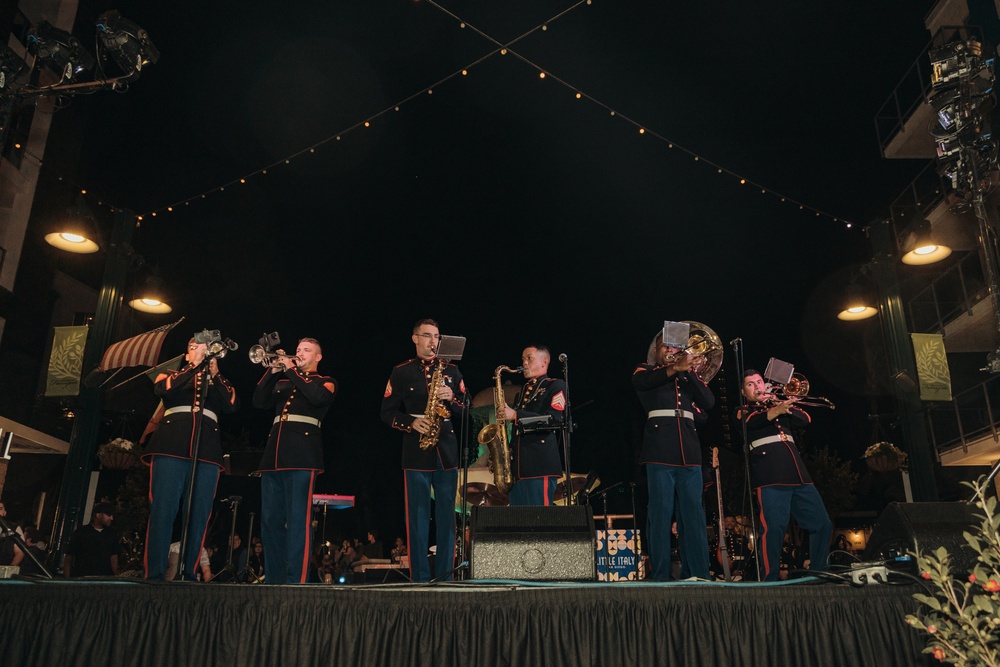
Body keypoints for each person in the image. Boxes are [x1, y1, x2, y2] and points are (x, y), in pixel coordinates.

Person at [141, 337, 239, 581]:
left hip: (206, 451)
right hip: (170, 446)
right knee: (163, 510)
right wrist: (194, 366)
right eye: (195, 347)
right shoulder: (171, 374)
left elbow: (231, 405)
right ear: (187, 355)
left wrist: (215, 374)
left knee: (199, 513)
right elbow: (162, 390)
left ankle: (189, 571)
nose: (202, 351)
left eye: (205, 348)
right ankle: (154, 573)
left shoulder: (218, 382)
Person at [380, 318, 467, 582]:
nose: (433, 342)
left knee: (446, 519)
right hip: (416, 449)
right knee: (417, 518)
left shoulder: (452, 370)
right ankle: (418, 578)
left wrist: (452, 398)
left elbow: (466, 409)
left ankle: (445, 577)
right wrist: (411, 422)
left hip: (447, 450)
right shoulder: (401, 371)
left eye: (437, 336)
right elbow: (387, 412)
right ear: (415, 338)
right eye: (427, 336)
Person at [253, 337, 336, 584]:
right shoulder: (283, 380)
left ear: (318, 357)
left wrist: (290, 369)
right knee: (270, 521)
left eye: (306, 350)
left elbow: (317, 398)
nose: (299, 353)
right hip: (273, 456)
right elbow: (259, 401)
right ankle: (274, 578)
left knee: (298, 519)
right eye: (298, 349)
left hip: (303, 456)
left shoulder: (326, 382)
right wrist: (273, 370)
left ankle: (295, 579)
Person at [631, 330, 714, 580]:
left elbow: (707, 403)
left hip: (689, 451)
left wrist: (690, 372)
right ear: (656, 351)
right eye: (665, 346)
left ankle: (698, 573)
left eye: (676, 347)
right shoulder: (645, 370)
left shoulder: (688, 377)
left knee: (694, 516)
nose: (671, 350)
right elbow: (643, 383)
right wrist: (677, 368)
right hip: (659, 450)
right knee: (660, 514)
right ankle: (660, 575)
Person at [740, 369, 832, 581]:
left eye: (759, 382)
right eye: (750, 384)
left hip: (798, 474)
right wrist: (777, 409)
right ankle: (769, 579)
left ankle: (819, 573)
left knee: (822, 524)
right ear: (744, 392)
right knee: (774, 529)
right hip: (770, 475)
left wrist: (784, 402)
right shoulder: (744, 410)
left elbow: (805, 419)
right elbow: (750, 423)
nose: (757, 387)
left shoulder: (777, 405)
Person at [503, 345, 567, 505]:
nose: (524, 363)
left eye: (529, 358)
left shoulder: (555, 385)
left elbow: (554, 419)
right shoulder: (524, 391)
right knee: (518, 524)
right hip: (518, 469)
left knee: (540, 521)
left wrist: (516, 415)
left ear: (544, 361)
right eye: (523, 359)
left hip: (540, 465)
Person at [63, 502, 121, 577]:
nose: (111, 518)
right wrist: (67, 579)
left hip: (104, 579)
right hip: (83, 578)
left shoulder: (112, 534)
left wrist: (115, 575)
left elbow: (114, 556)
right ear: (98, 515)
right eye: (108, 515)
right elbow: (69, 557)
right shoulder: (81, 532)